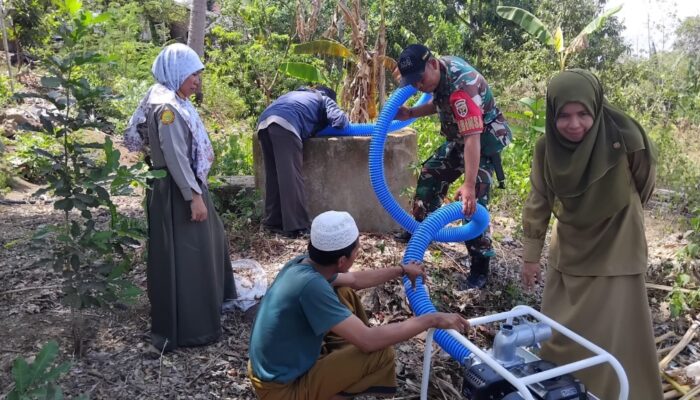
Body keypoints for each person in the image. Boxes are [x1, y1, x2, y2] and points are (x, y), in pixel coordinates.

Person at [520, 69, 663, 399]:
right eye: (564, 115)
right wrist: (530, 257)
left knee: (616, 337)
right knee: (562, 335)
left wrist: (614, 210)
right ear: (552, 114)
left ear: (596, 109)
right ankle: (562, 391)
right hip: (570, 249)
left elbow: (644, 183)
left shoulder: (627, 139)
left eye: (583, 113)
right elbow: (539, 200)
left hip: (618, 250)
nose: (574, 124)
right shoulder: (546, 150)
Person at [247, 210, 470, 399]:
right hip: (280, 390)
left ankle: (338, 364)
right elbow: (368, 341)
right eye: (356, 249)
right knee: (380, 354)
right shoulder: (312, 287)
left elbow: (354, 281)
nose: (358, 252)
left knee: (344, 292)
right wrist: (432, 319)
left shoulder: (304, 265)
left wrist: (401, 270)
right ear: (342, 261)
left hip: (272, 369)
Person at [123, 43, 236, 352]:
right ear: (176, 73)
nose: (196, 81)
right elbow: (174, 156)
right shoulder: (167, 107)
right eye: (192, 75)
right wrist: (192, 196)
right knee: (187, 257)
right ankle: (189, 330)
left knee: (200, 250)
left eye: (198, 74)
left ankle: (201, 318)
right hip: (177, 190)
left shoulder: (171, 99)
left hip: (182, 187)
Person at [395, 44, 512, 289]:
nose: (418, 86)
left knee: (472, 204)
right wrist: (411, 112)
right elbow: (439, 103)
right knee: (430, 173)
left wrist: (468, 185)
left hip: (482, 142)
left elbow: (472, 138)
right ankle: (420, 228)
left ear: (433, 64)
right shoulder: (437, 72)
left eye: (420, 79)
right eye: (413, 81)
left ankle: (480, 266)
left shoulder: (463, 87)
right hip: (460, 138)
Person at [257, 86, 350, 238]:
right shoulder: (324, 99)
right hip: (286, 124)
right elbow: (340, 121)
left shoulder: (294, 94)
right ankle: (296, 226)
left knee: (274, 175)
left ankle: (273, 222)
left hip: (264, 122)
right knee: (291, 177)